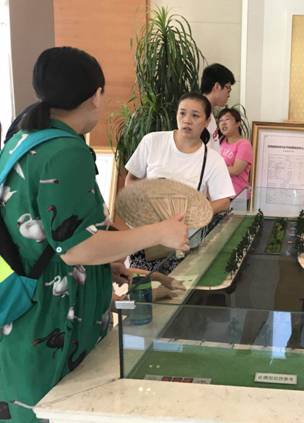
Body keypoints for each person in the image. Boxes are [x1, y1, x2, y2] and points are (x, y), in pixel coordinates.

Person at [0, 47, 189, 423]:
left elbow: (50, 238)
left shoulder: (23, 138)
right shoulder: (64, 151)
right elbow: (76, 248)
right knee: (55, 410)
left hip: (26, 306)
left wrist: (110, 266)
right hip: (48, 320)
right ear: (96, 94)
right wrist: (160, 232)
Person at [125, 92, 235, 272]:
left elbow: (224, 200)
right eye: (182, 113)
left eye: (195, 115)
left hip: (183, 245)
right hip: (146, 239)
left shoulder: (212, 159)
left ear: (207, 121)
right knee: (143, 286)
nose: (187, 120)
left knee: (176, 286)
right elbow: (132, 178)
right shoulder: (153, 141)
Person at [218, 107, 253, 201]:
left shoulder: (244, 144)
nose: (223, 123)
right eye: (220, 120)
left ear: (238, 123)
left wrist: (214, 168)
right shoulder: (221, 142)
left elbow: (236, 170)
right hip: (221, 192)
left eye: (227, 119)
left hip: (236, 195)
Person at [200, 63, 236, 151]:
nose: (229, 95)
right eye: (228, 89)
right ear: (217, 86)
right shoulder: (199, 116)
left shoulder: (209, 114)